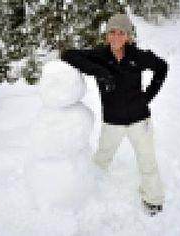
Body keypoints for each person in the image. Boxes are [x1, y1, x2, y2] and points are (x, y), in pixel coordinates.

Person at [61, 13, 168, 216]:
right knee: (102, 158)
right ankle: (90, 191)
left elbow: (162, 67)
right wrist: (99, 71)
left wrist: (149, 94)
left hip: (139, 119)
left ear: (127, 36)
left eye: (121, 33)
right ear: (107, 35)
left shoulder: (137, 56)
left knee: (147, 161)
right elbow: (69, 55)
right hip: (113, 121)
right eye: (112, 32)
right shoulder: (100, 55)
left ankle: (153, 199)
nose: (117, 37)